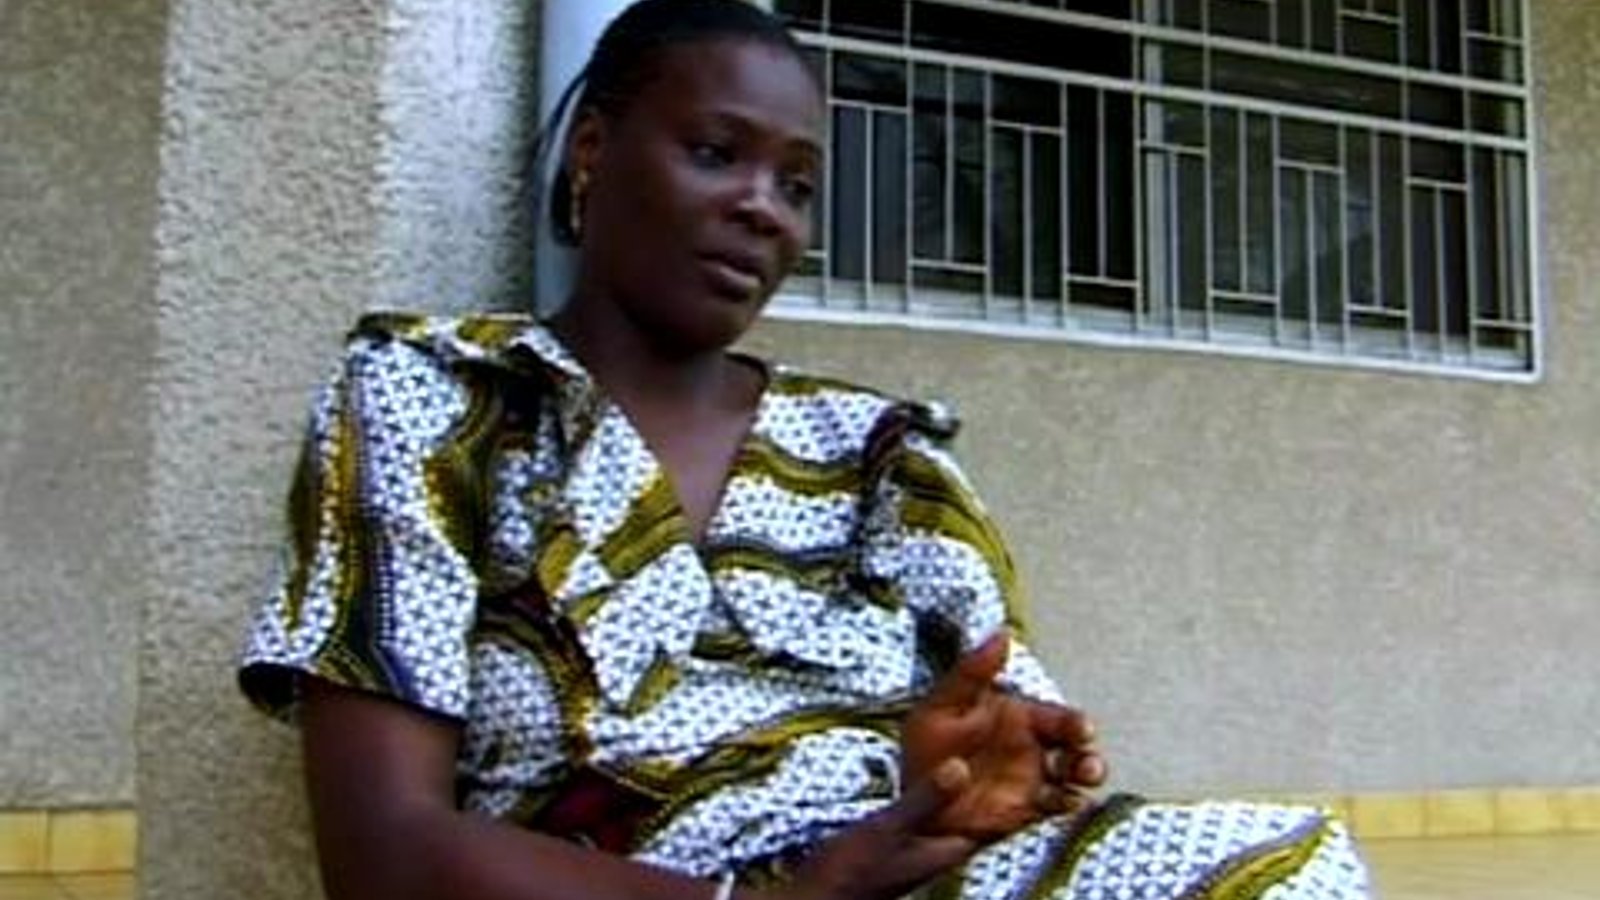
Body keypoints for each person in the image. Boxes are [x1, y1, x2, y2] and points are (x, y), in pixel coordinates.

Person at [239, 1, 1371, 897]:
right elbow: (381, 853)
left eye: (797, 185)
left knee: (1284, 867)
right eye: (714, 152)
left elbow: (1005, 749)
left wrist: (963, 777)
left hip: (910, 881)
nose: (764, 208)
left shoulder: (880, 455)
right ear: (593, 149)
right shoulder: (437, 400)